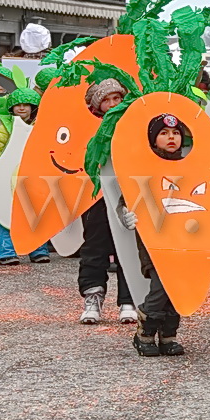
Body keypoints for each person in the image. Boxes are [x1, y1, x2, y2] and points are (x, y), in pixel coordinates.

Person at [121, 114, 210, 356]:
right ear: (153, 140)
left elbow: (204, 194)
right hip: (156, 242)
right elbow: (128, 197)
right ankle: (145, 332)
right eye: (164, 133)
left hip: (187, 241)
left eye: (175, 133)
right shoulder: (143, 168)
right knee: (161, 287)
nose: (171, 137)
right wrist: (125, 214)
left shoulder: (193, 168)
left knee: (178, 287)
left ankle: (168, 335)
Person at [77, 79, 137, 325]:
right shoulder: (88, 128)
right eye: (106, 100)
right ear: (97, 105)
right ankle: (93, 297)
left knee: (129, 246)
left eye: (117, 98)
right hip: (96, 196)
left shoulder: (134, 125)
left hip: (128, 194)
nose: (113, 104)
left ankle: (129, 300)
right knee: (94, 247)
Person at [0, 88, 51, 265]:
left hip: (33, 174)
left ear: (33, 107)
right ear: (11, 108)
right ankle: (6, 251)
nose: (21, 109)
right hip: (8, 174)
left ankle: (38, 249)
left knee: (35, 213)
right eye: (17, 105)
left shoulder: (40, 125)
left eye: (25, 105)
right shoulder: (6, 126)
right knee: (7, 212)